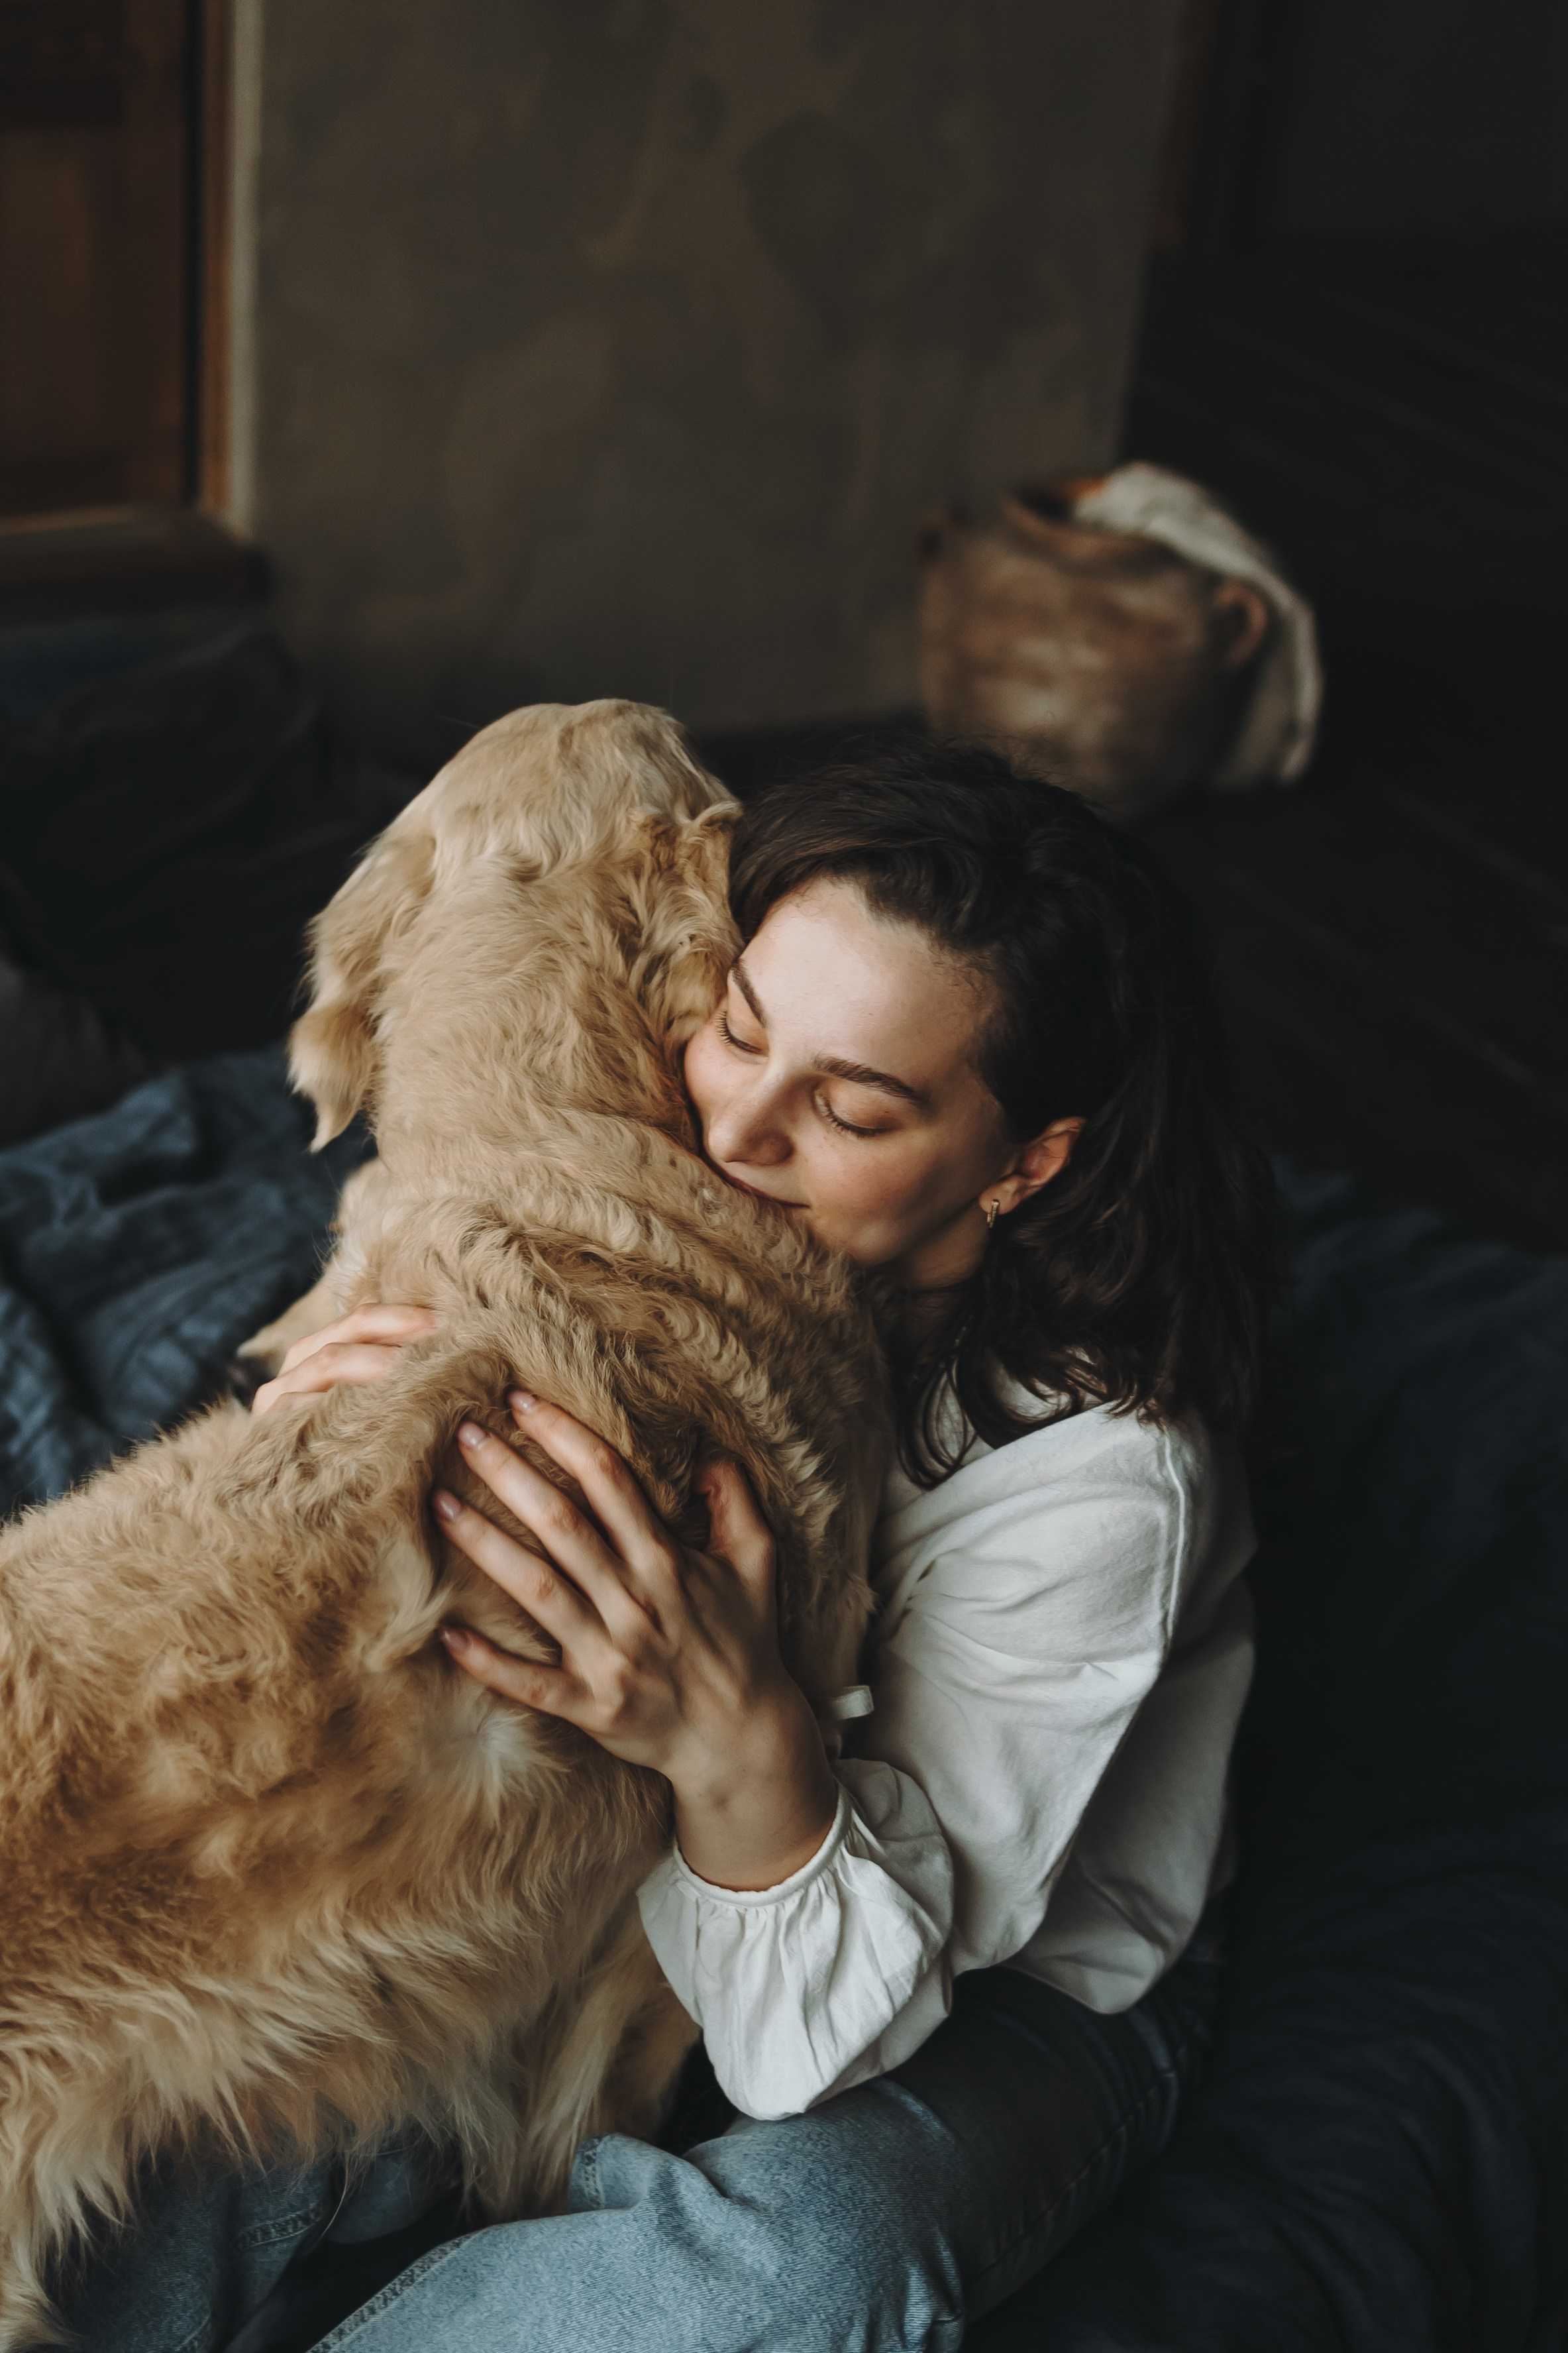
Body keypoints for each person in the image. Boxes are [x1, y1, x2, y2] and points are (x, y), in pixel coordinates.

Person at [57, 744, 1274, 2353]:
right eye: (739, 1030)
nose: (738, 1134)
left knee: (811, 2259)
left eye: (849, 1107)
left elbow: (799, 2054)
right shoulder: (667, 1148)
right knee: (167, 2085)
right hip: (596, 1859)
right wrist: (328, 1420)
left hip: (976, 1996)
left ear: (1023, 1160)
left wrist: (740, 1738)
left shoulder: (1104, 1486)